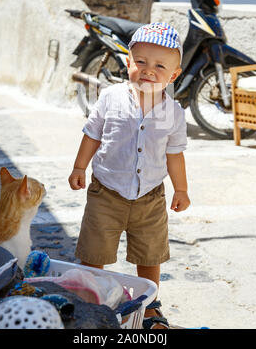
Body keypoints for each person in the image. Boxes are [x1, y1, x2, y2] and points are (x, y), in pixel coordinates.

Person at [68, 22, 191, 329]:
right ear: (128, 63)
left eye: (160, 66)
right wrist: (80, 167)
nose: (149, 70)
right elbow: (92, 134)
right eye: (141, 62)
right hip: (106, 192)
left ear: (173, 75)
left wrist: (181, 189)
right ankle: (90, 297)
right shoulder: (110, 97)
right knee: (94, 250)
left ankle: (149, 304)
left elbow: (174, 154)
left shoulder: (173, 112)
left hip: (150, 196)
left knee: (150, 255)